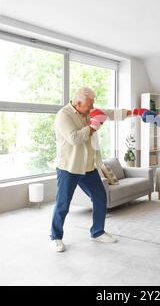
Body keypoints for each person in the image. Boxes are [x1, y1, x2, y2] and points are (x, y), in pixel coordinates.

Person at [50, 87, 131, 252]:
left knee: (100, 197)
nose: (92, 106)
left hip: (88, 166)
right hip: (69, 167)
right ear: (78, 103)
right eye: (89, 104)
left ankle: (97, 232)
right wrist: (94, 126)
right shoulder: (63, 115)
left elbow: (108, 113)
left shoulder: (87, 110)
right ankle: (56, 237)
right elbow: (74, 138)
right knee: (63, 203)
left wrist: (135, 112)